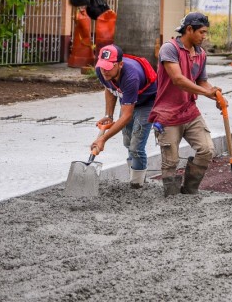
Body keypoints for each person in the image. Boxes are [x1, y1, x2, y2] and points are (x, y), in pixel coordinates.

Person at [150, 12, 224, 197]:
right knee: (171, 161)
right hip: (167, 115)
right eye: (202, 32)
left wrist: (215, 94)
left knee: (206, 150)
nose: (204, 36)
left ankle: (190, 191)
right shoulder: (169, 49)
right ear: (189, 29)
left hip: (190, 112)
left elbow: (202, 82)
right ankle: (172, 197)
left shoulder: (201, 54)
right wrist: (206, 92)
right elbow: (178, 79)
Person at [91, 44, 157, 189]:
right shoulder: (101, 71)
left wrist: (103, 138)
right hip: (128, 100)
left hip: (147, 102)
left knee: (136, 147)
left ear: (120, 64)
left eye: (109, 67)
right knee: (128, 142)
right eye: (102, 66)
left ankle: (137, 185)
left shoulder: (131, 77)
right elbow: (110, 88)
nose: (104, 71)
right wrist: (109, 114)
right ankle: (134, 175)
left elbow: (126, 116)